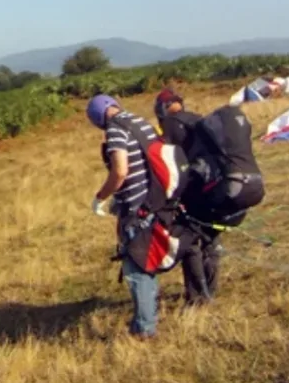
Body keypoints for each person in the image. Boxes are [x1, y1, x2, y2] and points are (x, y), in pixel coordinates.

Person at [87, 93, 161, 339]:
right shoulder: (139, 121)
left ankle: (144, 328)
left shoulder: (116, 129)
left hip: (136, 207)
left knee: (136, 267)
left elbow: (120, 171)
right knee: (148, 260)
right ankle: (149, 312)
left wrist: (101, 196)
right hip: (155, 200)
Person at [154, 88, 222, 305]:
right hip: (215, 186)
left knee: (190, 242)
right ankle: (210, 289)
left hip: (192, 189)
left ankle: (197, 296)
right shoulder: (198, 119)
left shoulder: (172, 124)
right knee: (211, 240)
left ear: (163, 108)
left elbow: (166, 159)